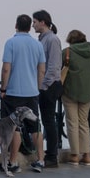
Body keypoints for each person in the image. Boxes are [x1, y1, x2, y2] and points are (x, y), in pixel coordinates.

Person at [0, 14, 46, 173]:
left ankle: (13, 162)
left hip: (13, 92)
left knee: (15, 127)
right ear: (29, 27)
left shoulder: (11, 43)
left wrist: (3, 89)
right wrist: (37, 88)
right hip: (31, 92)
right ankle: (40, 160)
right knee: (35, 127)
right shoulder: (37, 45)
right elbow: (41, 70)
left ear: (16, 25)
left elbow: (6, 68)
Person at [60, 29, 90, 164]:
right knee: (84, 122)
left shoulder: (67, 52)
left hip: (69, 92)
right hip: (88, 92)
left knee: (72, 122)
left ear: (70, 40)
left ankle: (74, 155)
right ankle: (87, 155)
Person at [32, 10, 63, 168]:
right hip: (45, 85)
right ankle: (48, 154)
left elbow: (54, 66)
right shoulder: (43, 39)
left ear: (42, 22)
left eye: (35, 22)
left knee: (49, 120)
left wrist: (43, 86)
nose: (33, 25)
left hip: (49, 86)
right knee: (46, 120)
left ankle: (52, 155)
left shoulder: (51, 40)